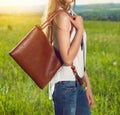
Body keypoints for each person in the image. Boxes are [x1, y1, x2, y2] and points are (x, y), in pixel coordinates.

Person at [43, 0, 94, 115]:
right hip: (65, 85)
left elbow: (78, 57)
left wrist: (87, 86)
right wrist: (80, 30)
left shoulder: (70, 14)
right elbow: (67, 59)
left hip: (77, 82)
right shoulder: (62, 17)